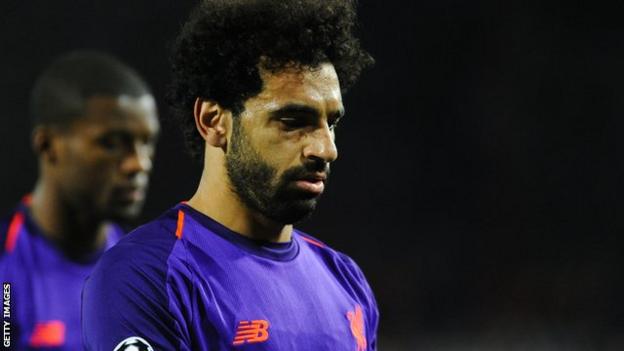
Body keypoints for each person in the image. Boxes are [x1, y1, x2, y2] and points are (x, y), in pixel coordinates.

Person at [82, 0, 377, 350]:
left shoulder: (346, 281)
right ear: (213, 121)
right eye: (294, 121)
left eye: (331, 123)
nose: (326, 149)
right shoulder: (145, 277)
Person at [0, 51, 159, 350]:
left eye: (146, 143)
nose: (139, 164)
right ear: (48, 145)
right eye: (111, 143)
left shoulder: (144, 273)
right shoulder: (7, 271)